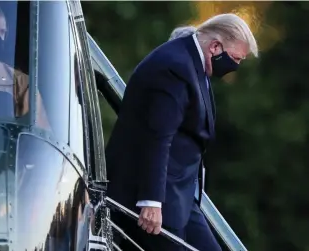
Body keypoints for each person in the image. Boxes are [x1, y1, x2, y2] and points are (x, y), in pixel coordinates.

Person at [106, 13, 258, 251]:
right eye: (235, 59)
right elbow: (157, 136)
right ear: (215, 46)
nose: (235, 67)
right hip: (157, 199)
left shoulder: (193, 62)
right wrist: (151, 201)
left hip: (181, 196)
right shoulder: (175, 67)